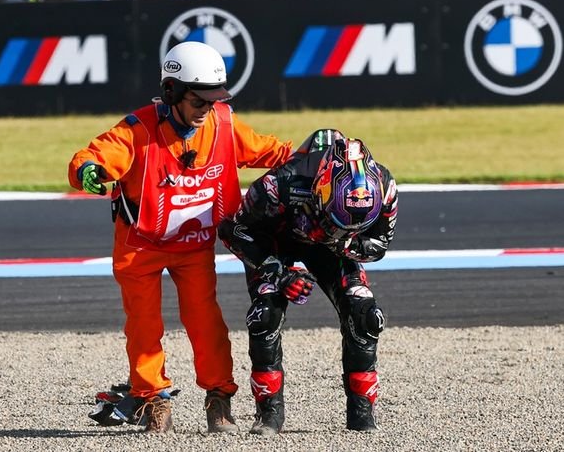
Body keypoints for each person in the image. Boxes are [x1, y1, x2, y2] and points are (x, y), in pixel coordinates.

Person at [68, 41, 293, 434]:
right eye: (199, 100)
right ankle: (153, 399)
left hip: (194, 248)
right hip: (140, 247)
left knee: (206, 321)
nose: (207, 109)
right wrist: (87, 171)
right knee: (143, 325)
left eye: (213, 100)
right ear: (172, 92)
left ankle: (219, 398)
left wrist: (315, 154)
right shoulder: (136, 131)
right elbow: (96, 156)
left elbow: (271, 151)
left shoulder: (224, 125)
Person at [217, 128, 398, 435]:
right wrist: (278, 271)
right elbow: (232, 231)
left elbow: (379, 244)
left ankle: (362, 415)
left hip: (333, 250)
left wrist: (342, 243)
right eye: (335, 220)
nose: (339, 228)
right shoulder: (279, 184)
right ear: (320, 190)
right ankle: (269, 415)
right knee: (266, 311)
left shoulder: (385, 186)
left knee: (365, 312)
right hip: (274, 244)